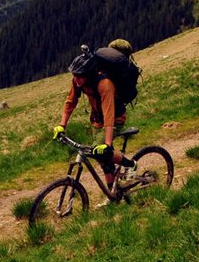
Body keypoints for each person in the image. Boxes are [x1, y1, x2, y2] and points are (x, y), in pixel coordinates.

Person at [52, 40, 138, 189]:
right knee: (103, 160)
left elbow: (109, 113)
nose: (75, 79)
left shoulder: (104, 84)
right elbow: (70, 102)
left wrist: (108, 144)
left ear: (88, 73)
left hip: (115, 117)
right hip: (97, 120)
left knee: (101, 150)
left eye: (78, 76)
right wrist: (61, 125)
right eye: (74, 76)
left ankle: (131, 165)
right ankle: (113, 192)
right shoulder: (78, 80)